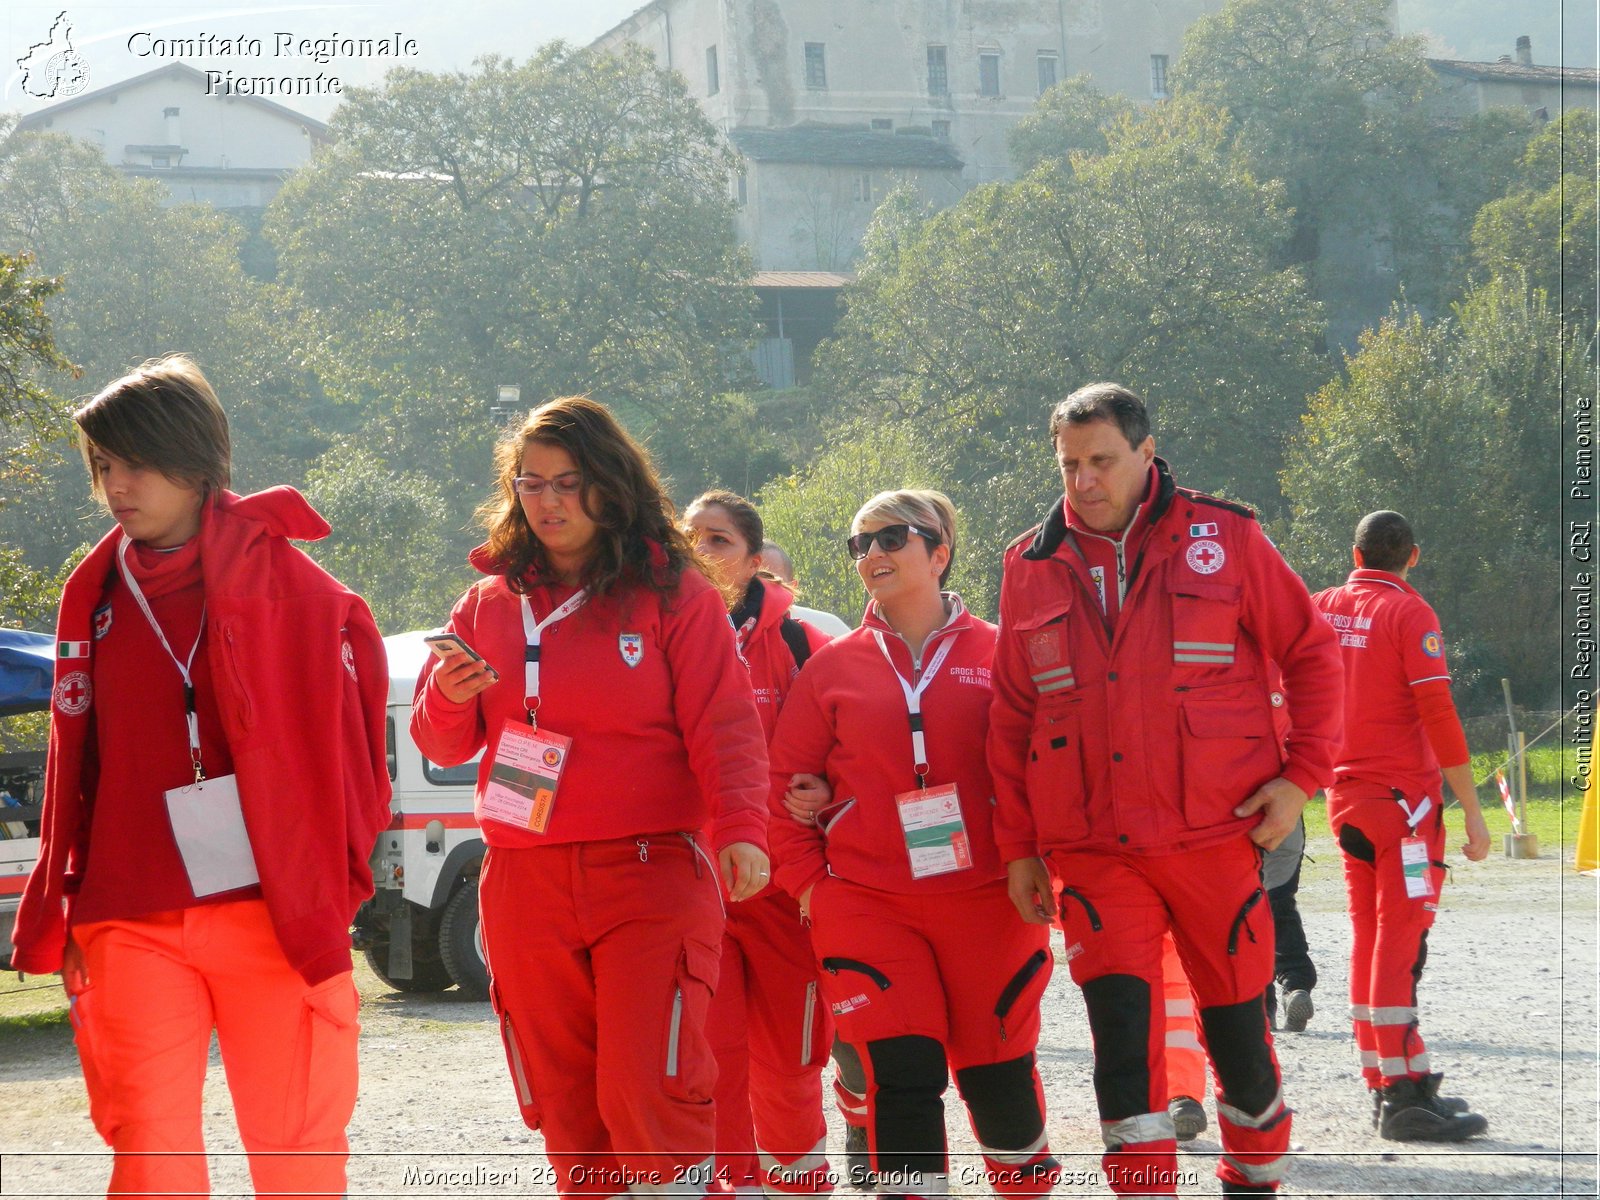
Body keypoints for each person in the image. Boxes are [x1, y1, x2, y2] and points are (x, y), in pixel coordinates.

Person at [9, 354, 392, 1197]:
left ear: (194, 460)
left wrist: (336, 881)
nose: (116, 484)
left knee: (295, 1147)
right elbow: (83, 765)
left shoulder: (301, 590)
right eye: (103, 466)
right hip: (128, 910)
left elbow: (360, 758)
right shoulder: (95, 591)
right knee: (149, 1151)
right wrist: (68, 896)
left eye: (134, 462)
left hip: (271, 910)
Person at [988, 382, 1344, 1197]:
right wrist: (1018, 850)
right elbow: (1010, 718)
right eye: (1070, 464)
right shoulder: (1029, 567)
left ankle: (1253, 1180)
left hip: (1215, 842)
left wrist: (1301, 780)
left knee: (1241, 1045)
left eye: (1101, 461)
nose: (1083, 481)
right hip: (1094, 853)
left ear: (1147, 455)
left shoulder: (1229, 538)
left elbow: (1314, 656)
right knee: (1121, 1046)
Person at [411, 397, 771, 1196]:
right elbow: (442, 743)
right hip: (523, 880)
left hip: (649, 873)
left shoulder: (674, 592)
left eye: (568, 482)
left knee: (651, 1090)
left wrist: (744, 827)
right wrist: (445, 692)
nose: (548, 501)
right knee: (567, 1105)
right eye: (530, 483)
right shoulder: (486, 602)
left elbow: (726, 722)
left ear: (610, 485)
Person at [769, 489, 1063, 1200]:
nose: (872, 553)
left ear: (940, 552)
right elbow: (779, 789)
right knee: (902, 1075)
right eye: (859, 543)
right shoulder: (831, 667)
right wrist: (816, 890)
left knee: (999, 1077)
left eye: (892, 537)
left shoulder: (1003, 651)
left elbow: (1053, 768)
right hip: (870, 907)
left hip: (990, 903)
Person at [1310, 510, 1491, 1141]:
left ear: (1355, 552)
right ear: (1412, 556)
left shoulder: (1322, 606)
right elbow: (1437, 712)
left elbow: (1287, 690)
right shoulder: (1411, 614)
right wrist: (1471, 808)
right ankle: (1402, 1094)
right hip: (1404, 811)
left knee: (1368, 934)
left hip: (1344, 800)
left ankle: (1389, 1074)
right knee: (1402, 938)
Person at [682, 490, 835, 1196]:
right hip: (694, 891)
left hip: (781, 889)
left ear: (752, 559)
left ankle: (798, 1186)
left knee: (793, 1059)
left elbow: (858, 740)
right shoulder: (656, 633)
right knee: (712, 1059)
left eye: (717, 540)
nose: (702, 552)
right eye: (690, 539)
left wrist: (830, 793)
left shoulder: (803, 642)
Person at [760, 540, 853, 639]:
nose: (760, 592)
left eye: (772, 583)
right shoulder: (741, 638)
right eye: (748, 583)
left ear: (792, 588)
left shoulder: (831, 628)